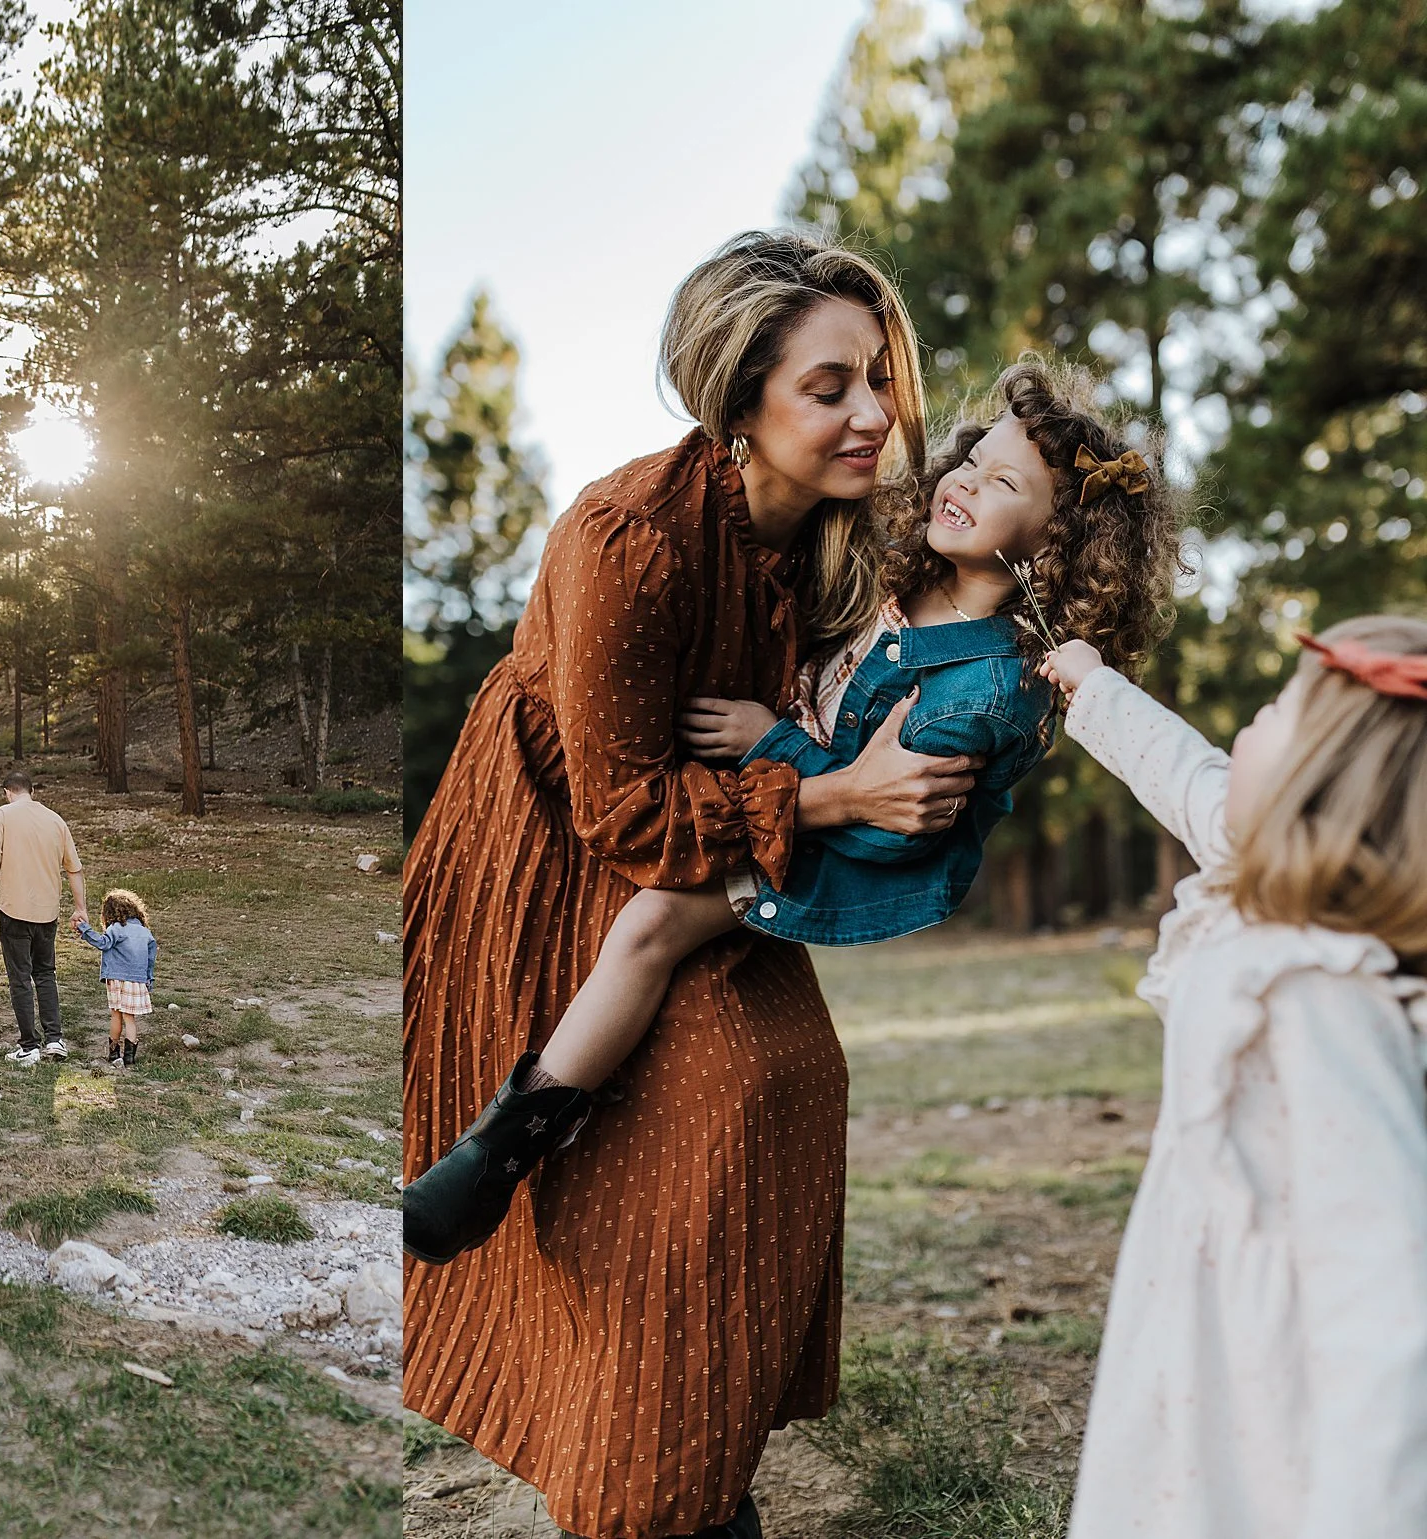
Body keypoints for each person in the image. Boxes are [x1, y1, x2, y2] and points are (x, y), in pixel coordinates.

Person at [404, 229, 981, 1539]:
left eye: (878, 378)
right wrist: (835, 794)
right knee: (701, 1114)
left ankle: (690, 1456)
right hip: (565, 853)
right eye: (828, 387)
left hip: (727, 857)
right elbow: (620, 813)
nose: (872, 411)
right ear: (741, 400)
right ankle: (641, 1477)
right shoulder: (629, 535)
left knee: (791, 1080)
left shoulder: (833, 545)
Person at [406, 359, 1183, 1263]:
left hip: (842, 852)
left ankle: (509, 1143)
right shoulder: (907, 572)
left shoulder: (984, 692)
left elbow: (888, 817)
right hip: (809, 799)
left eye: (1003, 483)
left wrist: (767, 739)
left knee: (650, 925)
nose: (963, 480)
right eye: (972, 459)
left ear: (1053, 546)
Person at [1040, 616, 1427, 1539]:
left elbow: (1387, 1297)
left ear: (1317, 787)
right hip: (1196, 1302)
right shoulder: (1257, 878)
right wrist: (1094, 687)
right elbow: (1183, 772)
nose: (1242, 730)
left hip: (1268, 1365)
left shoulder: (1315, 993)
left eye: (1273, 711)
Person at [0, 769, 90, 1066]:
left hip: (14, 911)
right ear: (32, 792)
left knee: (19, 978)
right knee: (45, 974)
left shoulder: (2, 815)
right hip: (48, 913)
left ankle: (29, 1045)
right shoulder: (56, 820)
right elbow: (74, 869)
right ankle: (55, 1040)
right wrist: (80, 908)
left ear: (7, 792)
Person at [74, 889, 156, 1067]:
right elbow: (150, 959)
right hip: (137, 979)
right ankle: (129, 1058)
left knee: (115, 1015)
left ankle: (113, 1054)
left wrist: (84, 930)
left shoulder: (116, 928)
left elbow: (103, 943)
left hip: (116, 978)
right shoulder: (145, 933)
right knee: (129, 1018)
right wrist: (149, 979)